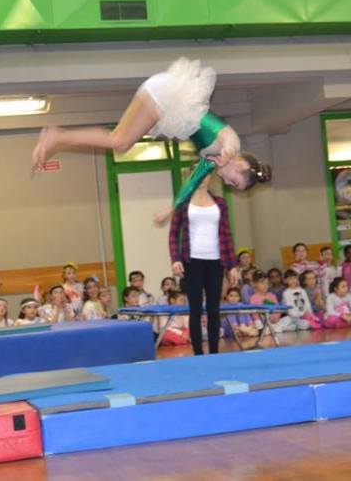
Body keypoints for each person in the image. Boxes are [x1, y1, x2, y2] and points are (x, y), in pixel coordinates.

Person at [32, 58, 272, 217]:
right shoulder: (231, 144)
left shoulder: (211, 160)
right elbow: (224, 133)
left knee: (119, 141)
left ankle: (58, 137)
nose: (228, 185)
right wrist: (227, 151)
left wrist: (173, 209)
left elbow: (191, 183)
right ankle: (57, 136)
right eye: (234, 183)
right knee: (119, 142)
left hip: (166, 98)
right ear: (241, 165)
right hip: (169, 96)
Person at [169, 170, 238, 356]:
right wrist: (175, 258)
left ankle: (214, 352)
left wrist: (232, 265)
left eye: (205, 174)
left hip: (216, 261)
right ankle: (198, 353)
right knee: (196, 309)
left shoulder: (220, 203)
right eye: (197, 174)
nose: (201, 177)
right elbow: (173, 234)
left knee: (214, 308)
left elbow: (227, 234)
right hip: (192, 261)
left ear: (210, 177)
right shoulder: (183, 202)